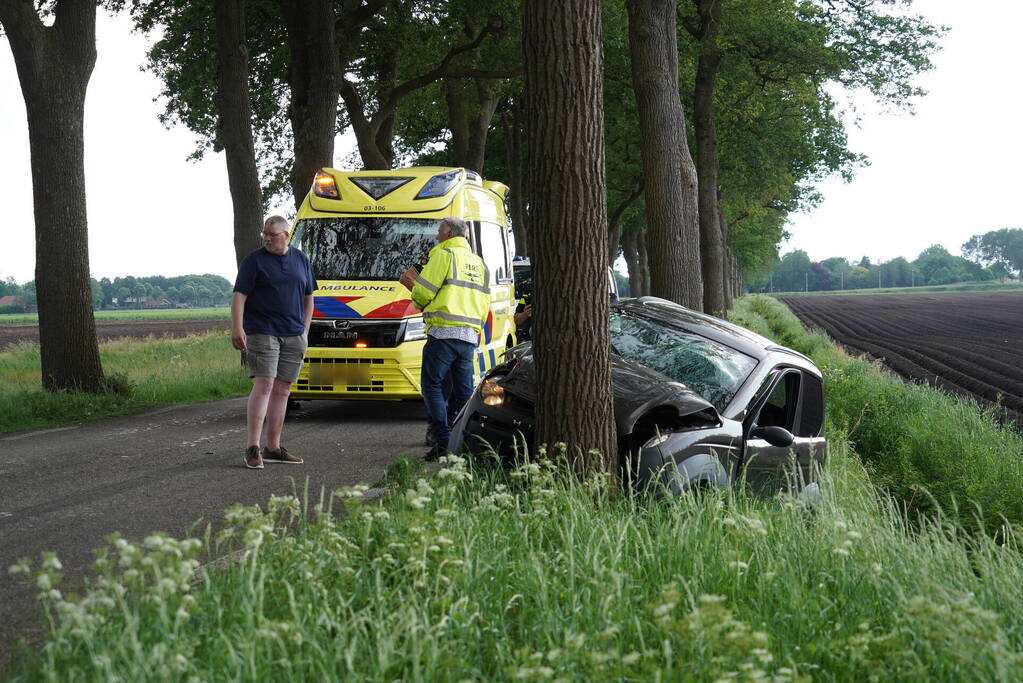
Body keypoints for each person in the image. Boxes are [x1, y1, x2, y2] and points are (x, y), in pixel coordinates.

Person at [399, 217, 490, 460]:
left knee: (432, 385)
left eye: (440, 231)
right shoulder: (479, 264)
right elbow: (484, 301)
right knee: (462, 391)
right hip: (469, 334)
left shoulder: (443, 254)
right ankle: (456, 438)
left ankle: (443, 439)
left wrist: (419, 301)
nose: (437, 236)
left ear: (449, 233)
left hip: (443, 332)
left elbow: (423, 290)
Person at [231, 215, 315, 469]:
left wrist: (305, 330)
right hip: (262, 330)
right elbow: (239, 295)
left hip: (294, 333)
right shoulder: (254, 261)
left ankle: (273, 448)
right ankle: (252, 448)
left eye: (273, 234)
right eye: (264, 234)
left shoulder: (301, 259)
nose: (267, 238)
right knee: (265, 383)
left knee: (283, 389)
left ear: (286, 235)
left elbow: (309, 296)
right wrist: (237, 327)